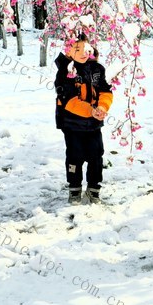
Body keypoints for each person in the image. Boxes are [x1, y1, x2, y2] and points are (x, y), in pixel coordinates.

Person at [54, 34, 113, 205]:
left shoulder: (97, 69)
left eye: (85, 48)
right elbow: (69, 101)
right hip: (72, 124)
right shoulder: (65, 73)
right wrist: (91, 111)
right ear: (68, 51)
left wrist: (102, 107)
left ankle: (94, 188)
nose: (82, 52)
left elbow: (105, 91)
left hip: (93, 125)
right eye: (76, 48)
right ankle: (74, 188)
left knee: (96, 155)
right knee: (75, 156)